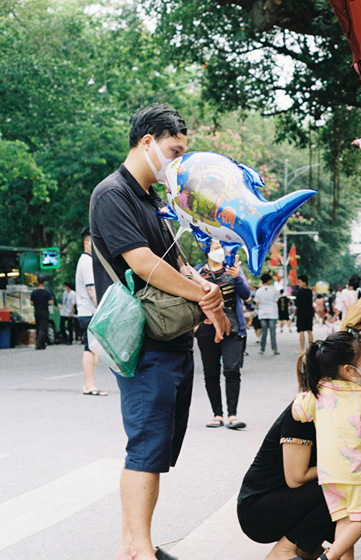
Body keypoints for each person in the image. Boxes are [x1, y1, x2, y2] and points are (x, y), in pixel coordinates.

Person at [89, 104, 229, 560]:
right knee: (147, 445)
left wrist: (206, 285)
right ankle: (136, 549)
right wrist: (200, 295)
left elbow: (174, 260)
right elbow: (144, 263)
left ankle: (136, 544)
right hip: (143, 341)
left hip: (171, 338)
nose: (176, 162)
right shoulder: (112, 194)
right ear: (147, 140)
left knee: (160, 446)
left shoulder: (154, 198)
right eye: (173, 150)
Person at [237, 332, 361, 560]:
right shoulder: (307, 411)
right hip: (261, 509)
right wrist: (349, 461)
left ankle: (317, 551)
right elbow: (295, 477)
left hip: (302, 497)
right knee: (345, 479)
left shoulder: (354, 404)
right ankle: (284, 551)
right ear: (347, 370)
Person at [291, 332, 361, 560]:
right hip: (355, 473)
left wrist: (304, 393)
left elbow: (298, 412)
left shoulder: (318, 392)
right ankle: (327, 558)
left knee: (345, 523)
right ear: (348, 370)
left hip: (328, 475)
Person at [195, 240, 251, 430]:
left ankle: (232, 415)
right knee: (211, 372)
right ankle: (217, 414)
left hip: (233, 326)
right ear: (206, 249)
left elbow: (245, 294)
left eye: (220, 246)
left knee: (232, 370)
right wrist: (194, 326)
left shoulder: (233, 268)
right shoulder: (197, 271)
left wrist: (237, 278)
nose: (217, 249)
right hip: (206, 327)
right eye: (213, 246)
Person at [75, 228, 105, 396]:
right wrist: (100, 310)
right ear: (87, 243)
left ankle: (90, 383)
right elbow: (91, 290)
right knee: (89, 348)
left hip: (88, 312)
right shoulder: (86, 261)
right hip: (89, 312)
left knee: (93, 348)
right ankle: (88, 384)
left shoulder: (87, 260)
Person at [255, 273, 280, 355]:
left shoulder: (258, 291)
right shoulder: (274, 290)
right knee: (273, 332)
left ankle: (262, 349)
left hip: (262, 312)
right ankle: (274, 349)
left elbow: (257, 303)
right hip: (272, 312)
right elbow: (276, 301)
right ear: (269, 281)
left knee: (264, 331)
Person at [30, 275, 53, 350]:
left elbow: (31, 303)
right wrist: (46, 302)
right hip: (44, 311)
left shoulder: (34, 292)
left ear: (37, 282)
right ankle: (38, 343)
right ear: (44, 282)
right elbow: (51, 302)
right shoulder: (47, 292)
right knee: (43, 328)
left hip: (36, 311)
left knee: (38, 326)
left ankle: (42, 344)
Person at [295, 274, 315, 352]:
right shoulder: (310, 291)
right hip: (309, 312)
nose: (298, 284)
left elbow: (297, 303)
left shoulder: (299, 292)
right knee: (309, 331)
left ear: (304, 282)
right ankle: (311, 348)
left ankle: (302, 348)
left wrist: (295, 311)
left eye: (299, 282)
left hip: (301, 313)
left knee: (301, 331)